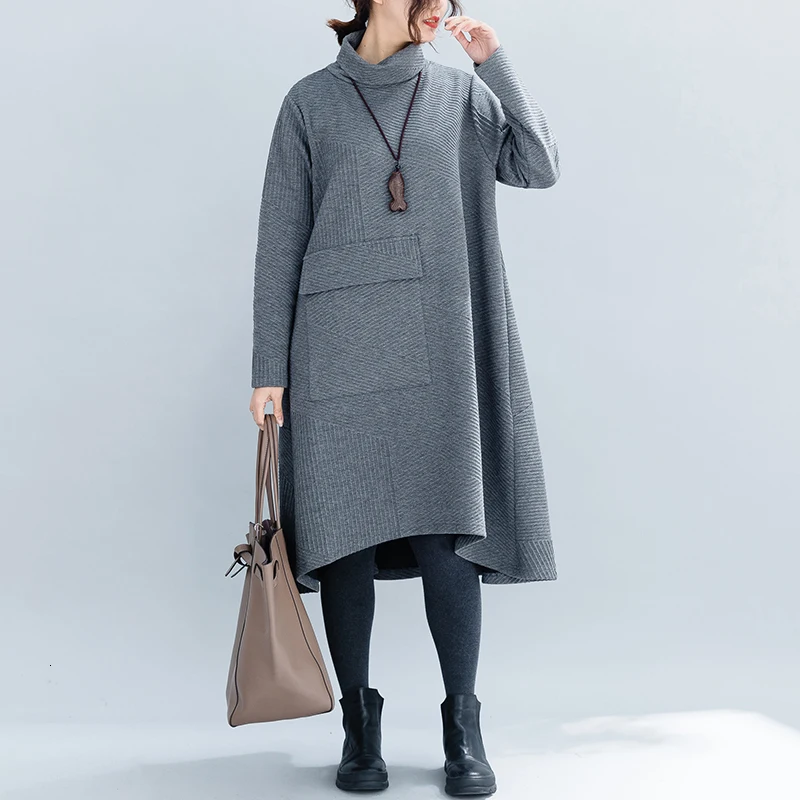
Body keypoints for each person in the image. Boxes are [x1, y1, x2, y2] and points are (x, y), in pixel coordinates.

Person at [247, 1, 561, 795]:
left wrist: (494, 62)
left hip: (443, 338)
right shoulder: (310, 102)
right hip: (334, 346)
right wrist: (267, 368)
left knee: (445, 533)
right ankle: (359, 727)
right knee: (344, 539)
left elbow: (538, 165)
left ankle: (464, 728)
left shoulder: (460, 94)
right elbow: (280, 237)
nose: (440, 10)